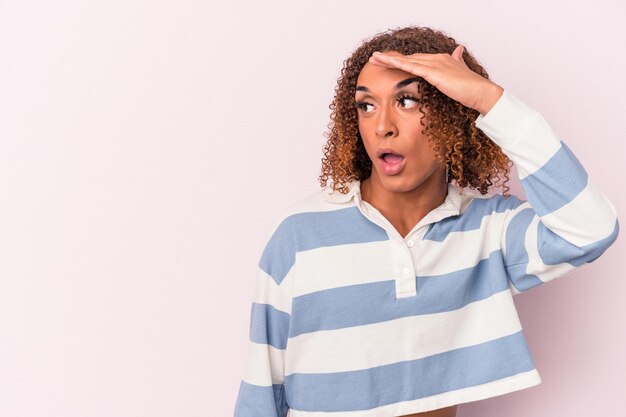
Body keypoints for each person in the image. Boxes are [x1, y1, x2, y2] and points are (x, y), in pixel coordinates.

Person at [232, 26, 620, 417]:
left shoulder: (485, 231)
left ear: (453, 112)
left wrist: (490, 101)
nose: (383, 125)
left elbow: (591, 230)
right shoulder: (301, 233)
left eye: (407, 101)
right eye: (366, 105)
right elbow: (262, 390)